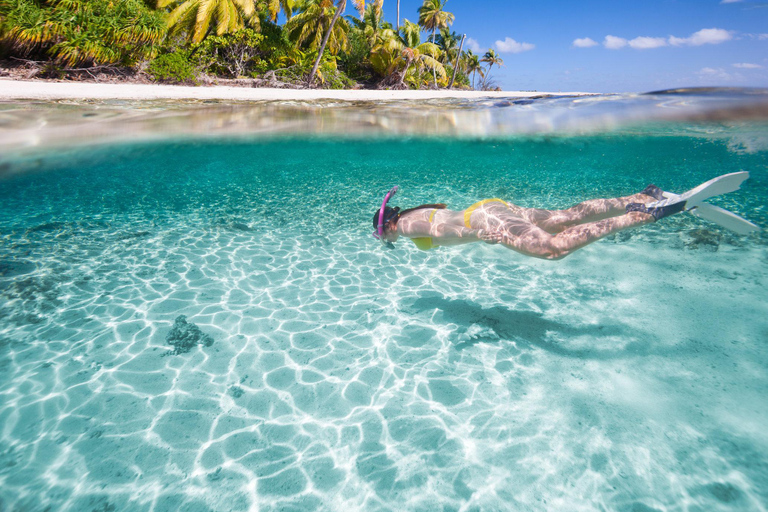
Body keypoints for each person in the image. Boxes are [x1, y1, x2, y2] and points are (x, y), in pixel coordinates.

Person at [371, 172, 755, 260]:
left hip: (485, 222)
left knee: (552, 248)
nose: (386, 239)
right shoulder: (416, 210)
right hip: (489, 207)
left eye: (382, 234)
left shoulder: (406, 226)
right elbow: (441, 219)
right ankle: (645, 194)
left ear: (388, 224)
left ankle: (651, 213)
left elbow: (440, 228)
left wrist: (483, 234)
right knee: (565, 216)